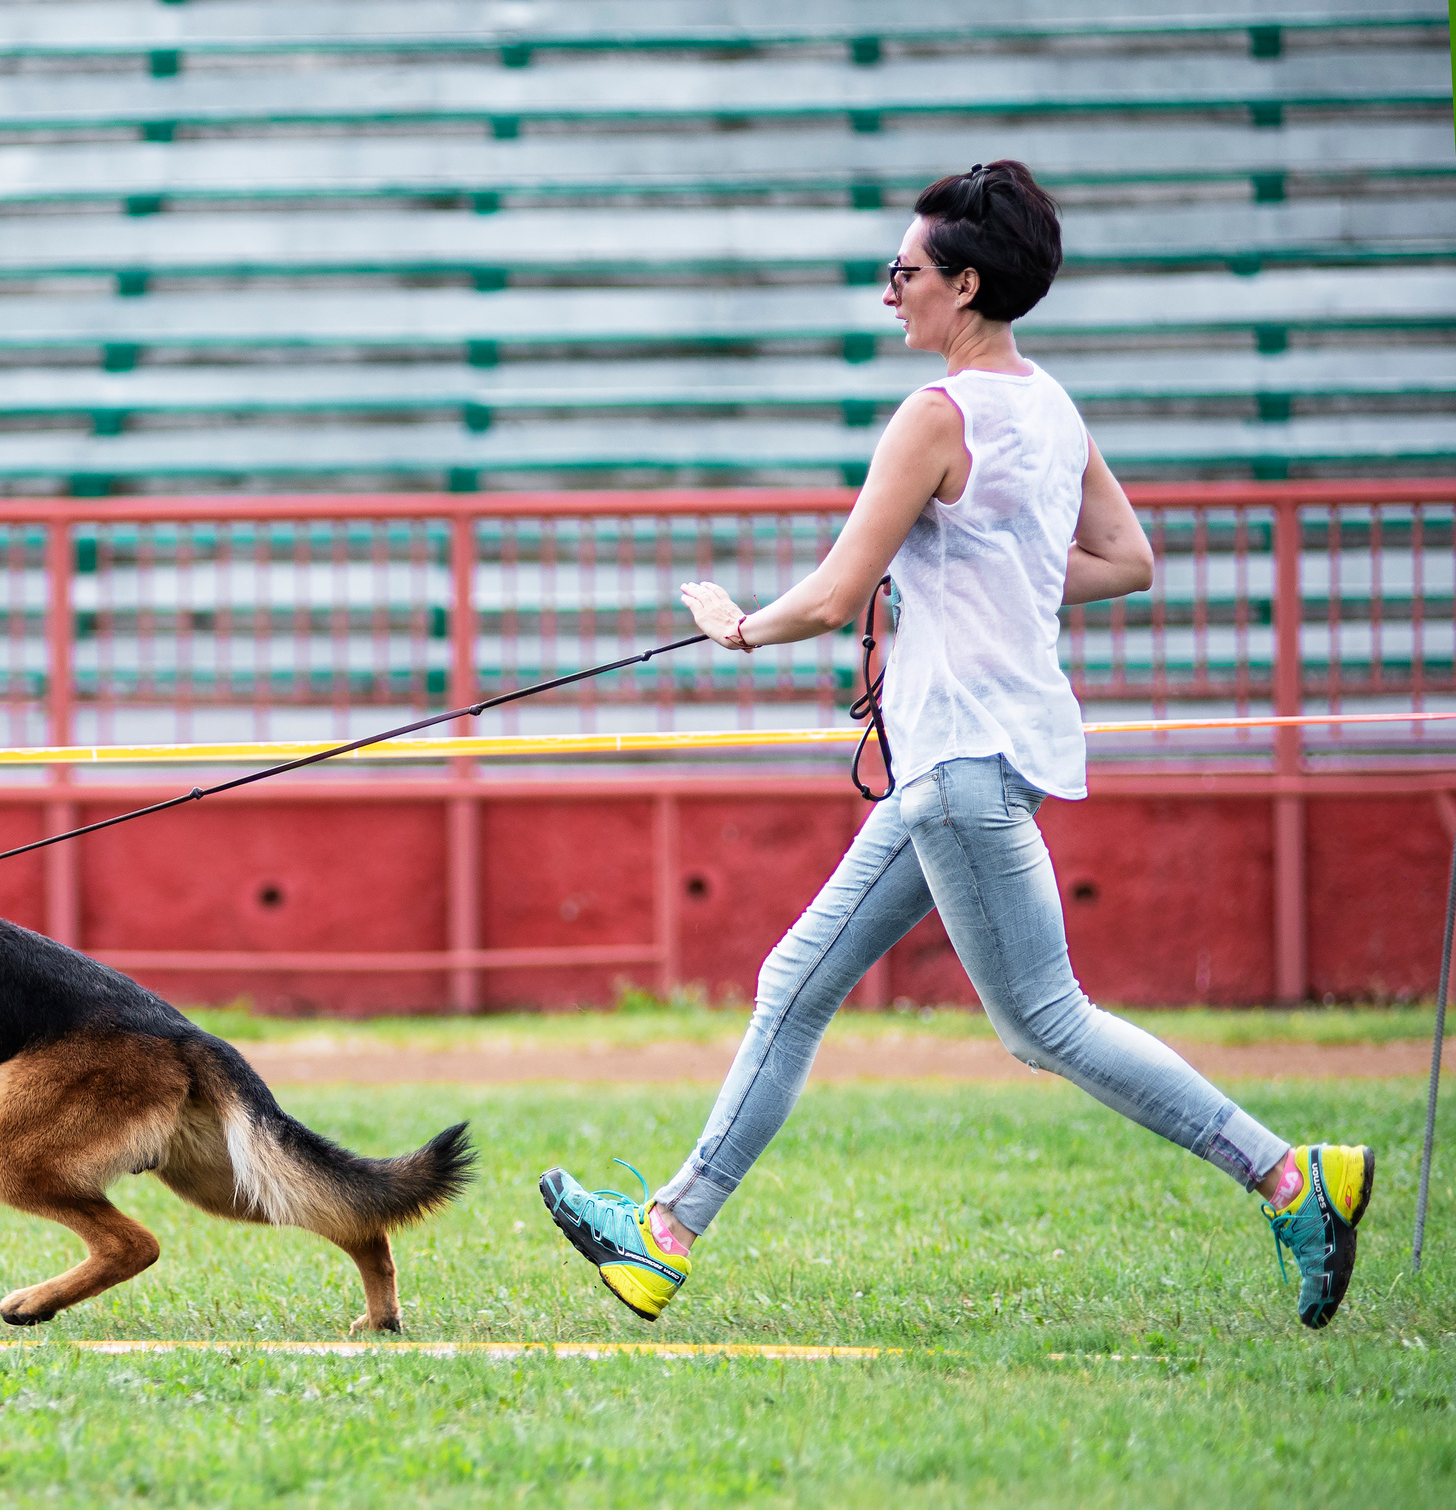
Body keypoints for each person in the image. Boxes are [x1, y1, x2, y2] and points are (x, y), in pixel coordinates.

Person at [537, 161, 1374, 1332]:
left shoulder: (935, 416)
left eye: (905, 274)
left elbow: (833, 597)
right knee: (797, 979)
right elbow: (1125, 560)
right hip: (968, 753)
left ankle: (1292, 1180)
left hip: (961, 760)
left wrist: (735, 628)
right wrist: (990, 579)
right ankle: (663, 1237)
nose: (891, 293)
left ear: (964, 284)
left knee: (1045, 1021)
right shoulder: (1052, 406)